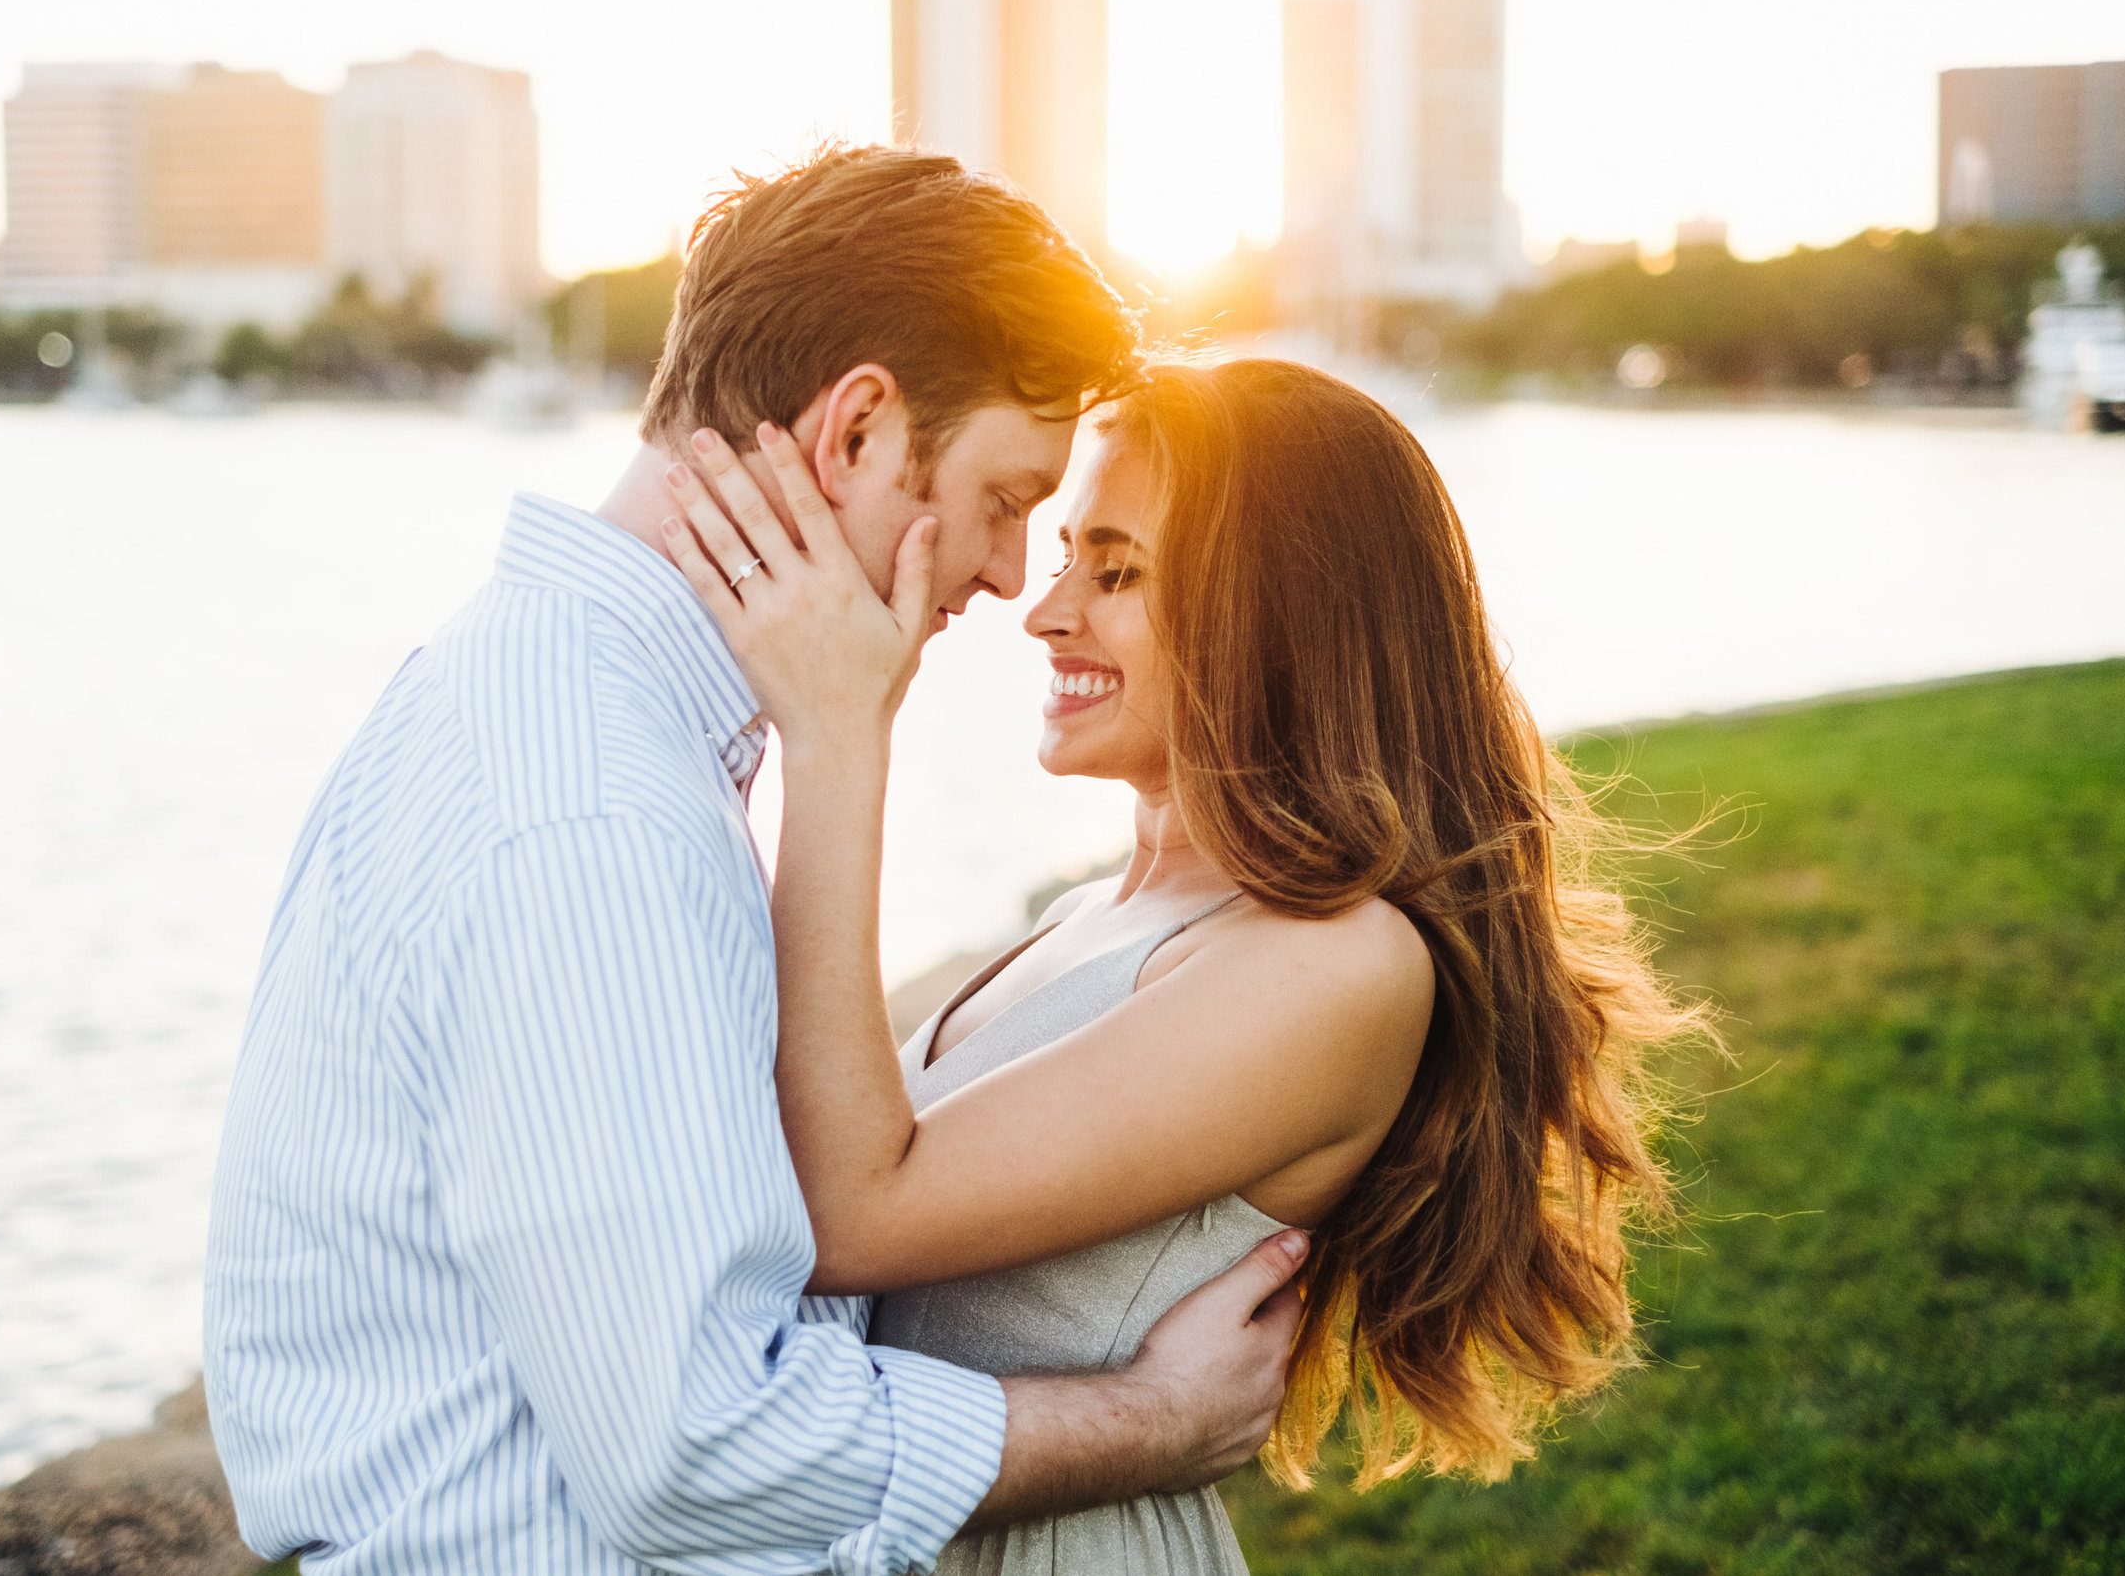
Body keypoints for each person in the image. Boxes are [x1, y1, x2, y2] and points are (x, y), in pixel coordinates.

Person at [201, 149, 1310, 1576]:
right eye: (1003, 497)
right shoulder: (593, 810)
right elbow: (696, 1443)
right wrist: (1152, 1419)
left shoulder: (551, 706)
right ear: (857, 430)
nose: (1002, 572)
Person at [657, 356, 1713, 1574]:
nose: (1045, 609)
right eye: (1061, 553)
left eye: (1115, 570)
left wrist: (836, 737)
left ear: (1278, 612)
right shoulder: (1090, 913)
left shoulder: (1335, 965)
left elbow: (848, 1210)